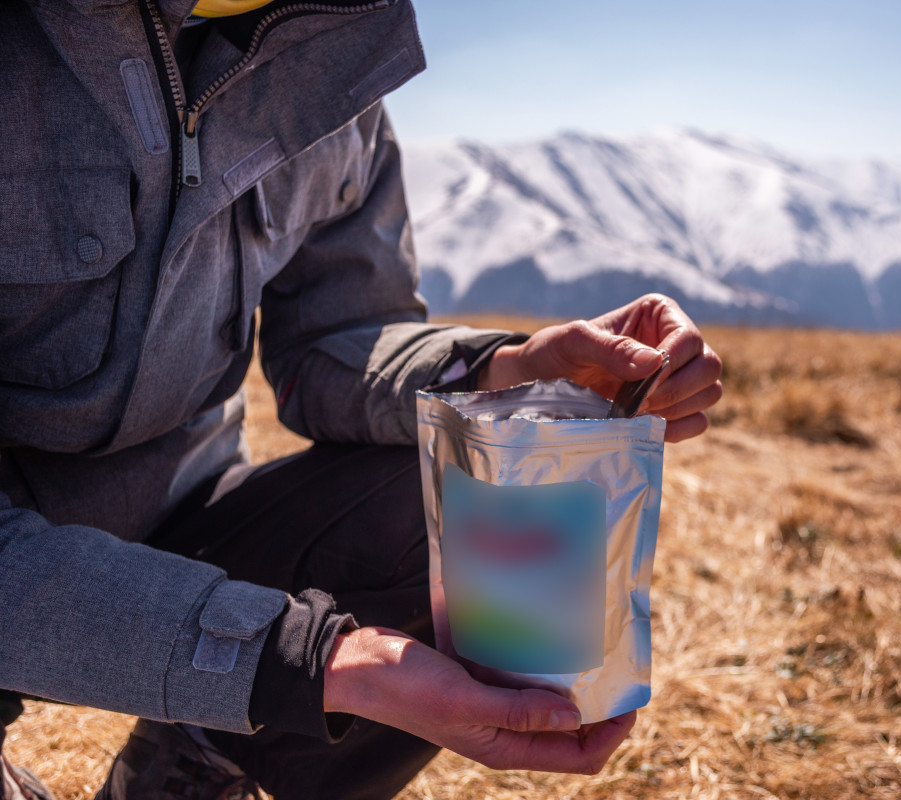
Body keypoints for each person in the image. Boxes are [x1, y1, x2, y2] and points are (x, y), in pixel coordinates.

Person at [0, 1, 723, 799]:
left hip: (180, 510)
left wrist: (505, 369)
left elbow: (335, 343)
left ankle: (197, 761)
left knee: (459, 479)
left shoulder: (335, 48)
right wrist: (310, 662)